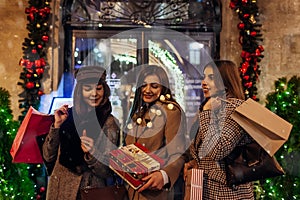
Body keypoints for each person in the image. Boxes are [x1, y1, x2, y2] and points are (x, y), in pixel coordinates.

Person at [42, 66, 121, 200]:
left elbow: (108, 171)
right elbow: (48, 158)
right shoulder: (67, 116)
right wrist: (56, 126)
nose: (94, 93)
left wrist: (92, 152)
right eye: (88, 89)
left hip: (90, 192)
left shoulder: (109, 122)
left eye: (98, 88)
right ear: (80, 91)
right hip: (60, 190)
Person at [184, 60, 254, 199]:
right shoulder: (213, 107)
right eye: (204, 77)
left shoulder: (235, 108)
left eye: (211, 77)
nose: (204, 82)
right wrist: (196, 162)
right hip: (206, 190)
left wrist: (207, 112)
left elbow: (218, 150)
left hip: (228, 193)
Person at [124, 65, 187, 200]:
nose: (147, 90)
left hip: (156, 193)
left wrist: (164, 175)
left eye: (154, 86)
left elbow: (177, 153)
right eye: (144, 85)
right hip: (133, 191)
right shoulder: (139, 113)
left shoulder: (171, 111)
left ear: (163, 87)